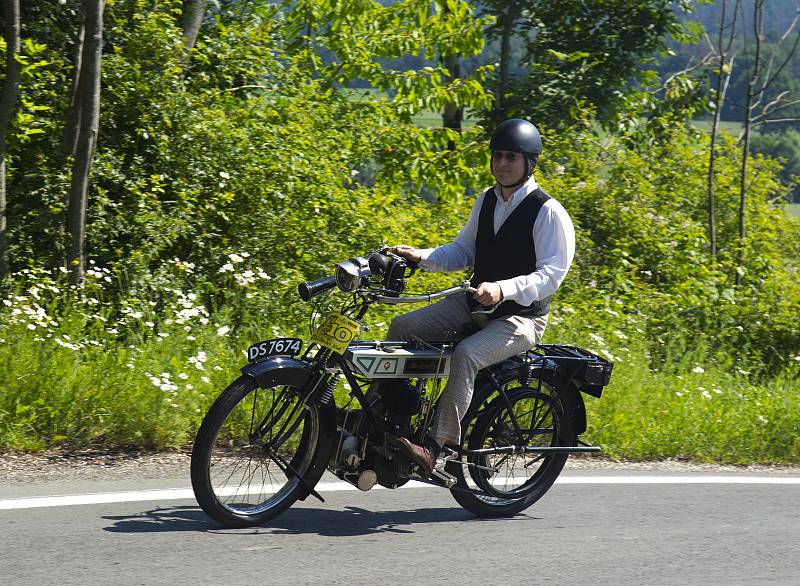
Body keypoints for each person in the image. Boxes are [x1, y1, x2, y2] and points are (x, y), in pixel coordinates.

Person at [388, 118, 575, 476]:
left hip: (521, 317)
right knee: (401, 327)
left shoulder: (548, 211)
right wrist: (422, 256)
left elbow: (552, 275)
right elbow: (463, 251)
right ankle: (395, 418)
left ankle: (435, 447)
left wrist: (503, 288)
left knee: (467, 354)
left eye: (512, 157)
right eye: (498, 156)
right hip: (474, 302)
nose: (502, 163)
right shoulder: (487, 200)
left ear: (528, 162)